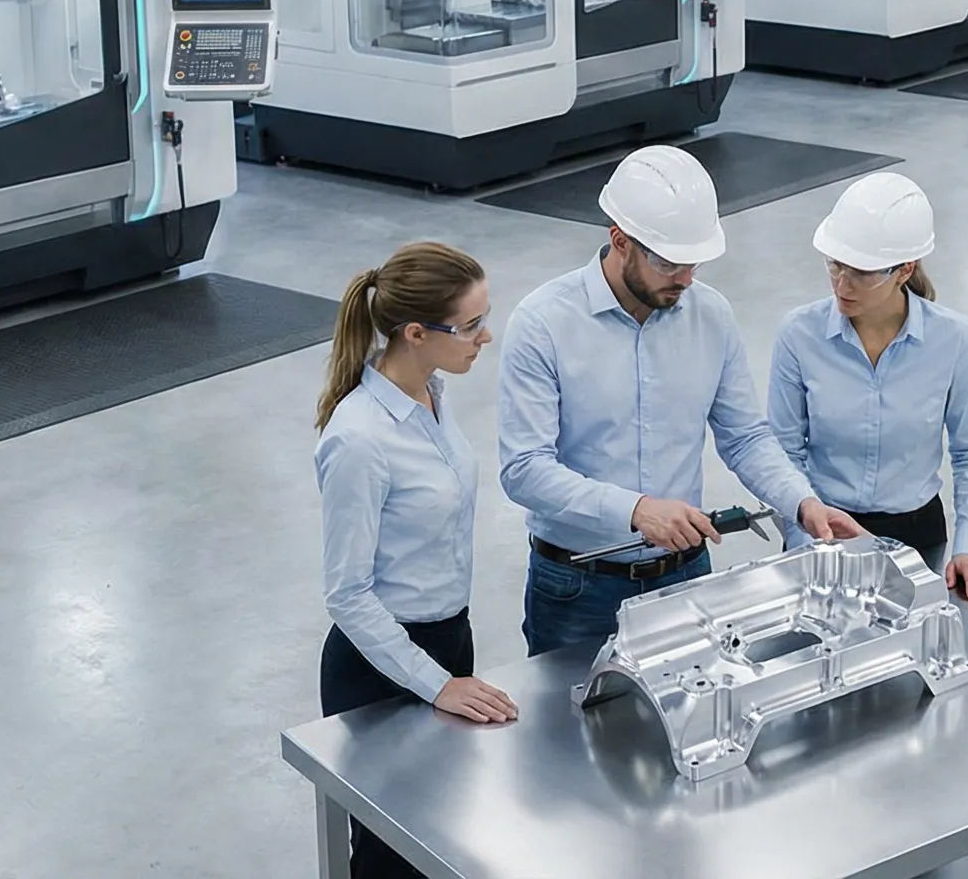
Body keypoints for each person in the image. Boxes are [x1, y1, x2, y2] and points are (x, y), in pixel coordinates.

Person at [498, 144, 863, 657]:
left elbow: (745, 437)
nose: (686, 279)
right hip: (579, 586)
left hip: (687, 575)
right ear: (619, 240)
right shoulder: (542, 324)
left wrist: (802, 503)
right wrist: (635, 510)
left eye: (695, 263)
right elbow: (524, 469)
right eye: (670, 263)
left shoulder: (711, 315)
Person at [314, 242, 520, 879]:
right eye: (470, 325)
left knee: (444, 832)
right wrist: (436, 683)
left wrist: (450, 668)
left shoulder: (432, 394)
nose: (486, 337)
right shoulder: (358, 439)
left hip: (450, 638)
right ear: (415, 333)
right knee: (390, 857)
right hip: (381, 668)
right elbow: (347, 593)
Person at [769, 174, 968, 604]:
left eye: (861, 273)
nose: (842, 285)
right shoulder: (798, 335)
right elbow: (784, 453)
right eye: (835, 265)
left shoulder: (953, 340)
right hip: (823, 529)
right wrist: (804, 546)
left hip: (918, 537)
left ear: (904, 270)